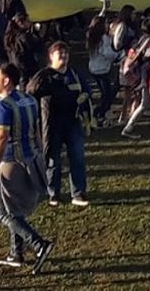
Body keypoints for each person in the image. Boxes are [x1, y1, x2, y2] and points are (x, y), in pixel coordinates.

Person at [0, 63, 53, 273]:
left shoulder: (3, 106)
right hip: (31, 158)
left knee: (2, 213)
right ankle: (16, 253)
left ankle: (39, 244)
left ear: (6, 81)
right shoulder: (29, 101)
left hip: (10, 163)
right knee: (15, 208)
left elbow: (2, 137)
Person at [27, 41, 94, 207]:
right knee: (52, 159)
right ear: (51, 57)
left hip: (73, 121)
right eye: (60, 53)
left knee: (77, 157)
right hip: (51, 124)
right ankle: (53, 194)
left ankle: (78, 194)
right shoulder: (43, 76)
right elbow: (29, 93)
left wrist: (84, 100)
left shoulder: (74, 73)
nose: (64, 56)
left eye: (66, 54)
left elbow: (87, 90)